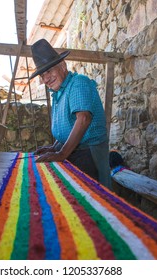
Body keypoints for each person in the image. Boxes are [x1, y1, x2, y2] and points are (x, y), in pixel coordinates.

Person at [29, 39, 110, 188]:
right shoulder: (59, 93)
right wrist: (55, 147)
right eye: (42, 75)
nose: (46, 78)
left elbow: (84, 119)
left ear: (63, 65)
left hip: (89, 155)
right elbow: (67, 126)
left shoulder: (78, 83)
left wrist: (61, 154)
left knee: (87, 199)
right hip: (73, 152)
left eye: (49, 71)